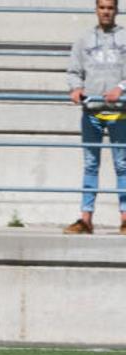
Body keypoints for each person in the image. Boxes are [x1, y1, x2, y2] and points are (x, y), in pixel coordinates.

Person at [64, 0, 126, 235]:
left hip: (119, 112)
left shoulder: (125, 37)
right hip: (91, 112)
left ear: (116, 10)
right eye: (102, 7)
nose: (106, 12)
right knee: (91, 165)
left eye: (110, 8)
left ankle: (125, 219)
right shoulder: (84, 39)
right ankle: (86, 219)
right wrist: (76, 88)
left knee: (122, 166)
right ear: (96, 10)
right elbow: (73, 71)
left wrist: (120, 87)